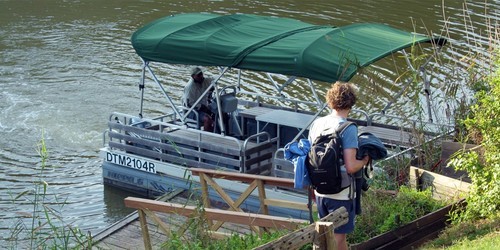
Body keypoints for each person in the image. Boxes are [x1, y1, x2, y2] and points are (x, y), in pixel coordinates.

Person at [307, 81, 370, 250]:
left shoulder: (317, 124)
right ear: (351, 103)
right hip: (341, 194)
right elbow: (350, 166)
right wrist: (364, 161)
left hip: (320, 190)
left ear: (330, 101)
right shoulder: (347, 128)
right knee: (336, 239)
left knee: (328, 236)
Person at [182, 66, 214, 131]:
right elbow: (189, 104)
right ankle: (207, 136)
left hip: (204, 107)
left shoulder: (205, 81)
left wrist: (212, 89)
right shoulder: (190, 87)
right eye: (198, 75)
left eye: (201, 74)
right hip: (191, 111)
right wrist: (202, 107)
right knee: (207, 119)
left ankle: (218, 132)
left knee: (220, 113)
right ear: (193, 76)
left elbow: (213, 80)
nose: (201, 76)